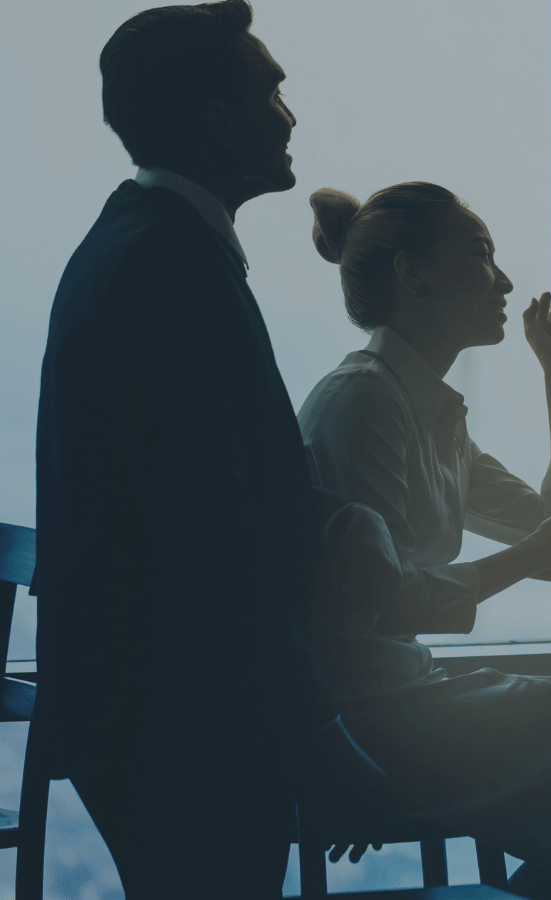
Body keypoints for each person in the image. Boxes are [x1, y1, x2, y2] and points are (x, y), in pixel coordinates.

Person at [34, 3, 380, 897]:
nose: (289, 115)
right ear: (217, 118)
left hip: (155, 714)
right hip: (183, 723)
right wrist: (317, 736)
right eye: (270, 91)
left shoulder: (143, 246)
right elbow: (216, 537)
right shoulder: (167, 267)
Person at [298, 182, 551, 900]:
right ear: (413, 274)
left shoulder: (426, 409)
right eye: (480, 255)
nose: (504, 280)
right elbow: (387, 605)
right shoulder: (364, 404)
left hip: (407, 694)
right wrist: (532, 556)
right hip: (365, 723)